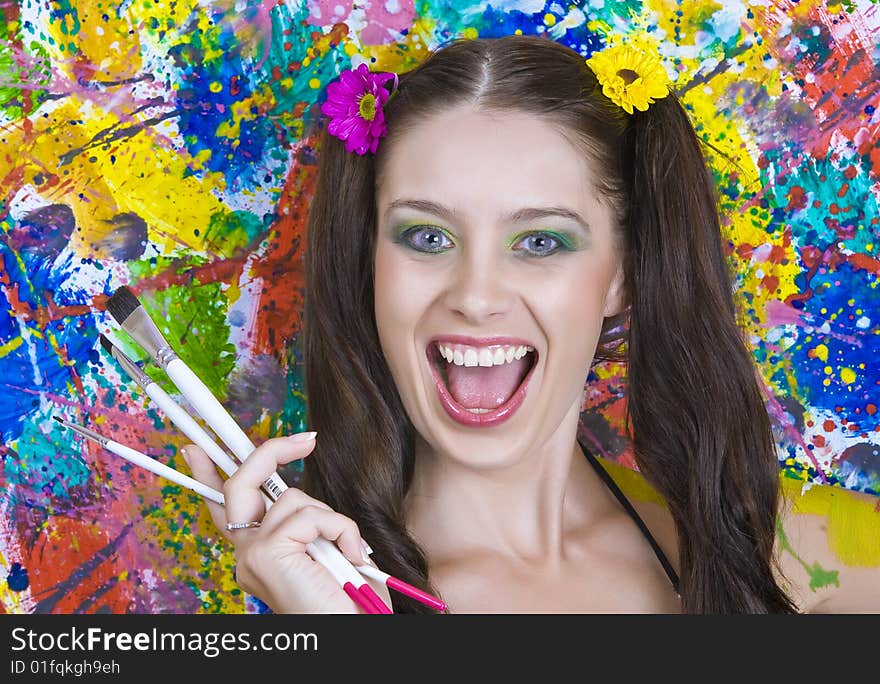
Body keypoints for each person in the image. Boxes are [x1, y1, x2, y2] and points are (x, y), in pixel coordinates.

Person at [181, 34, 880, 613]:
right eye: (426, 238)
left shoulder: (810, 561)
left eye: (541, 242)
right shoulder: (323, 595)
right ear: (369, 266)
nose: (477, 297)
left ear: (623, 274)